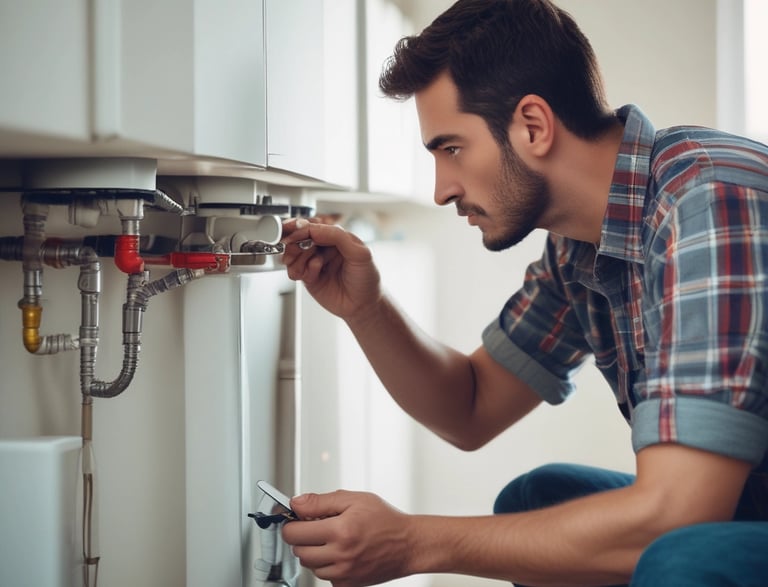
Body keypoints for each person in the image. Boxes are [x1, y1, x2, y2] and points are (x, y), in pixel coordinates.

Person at [279, 0, 768, 585]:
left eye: (451, 149)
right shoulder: (581, 244)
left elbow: (679, 513)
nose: (442, 190)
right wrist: (366, 308)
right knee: (536, 498)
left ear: (533, 126)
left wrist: (413, 543)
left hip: (721, 514)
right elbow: (471, 407)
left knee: (680, 556)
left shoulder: (707, 201)